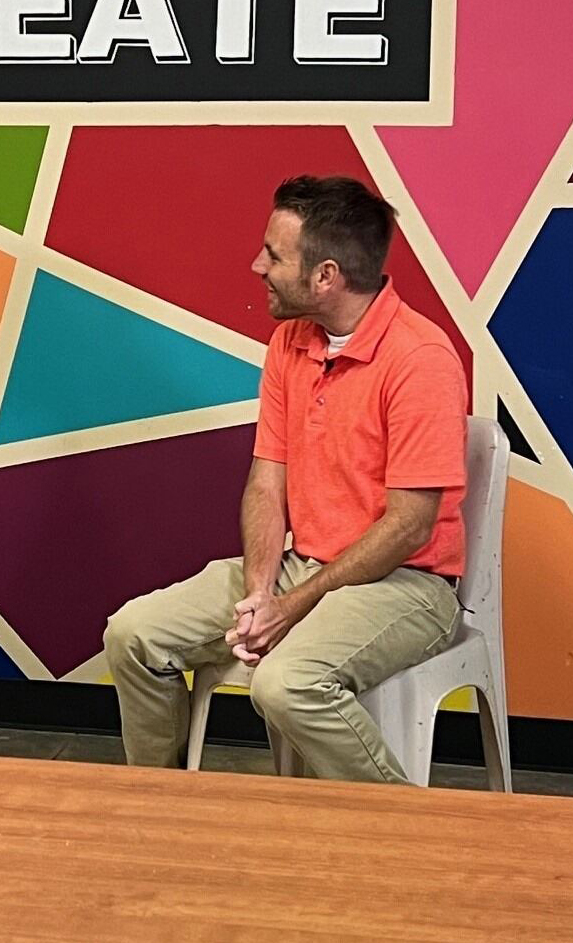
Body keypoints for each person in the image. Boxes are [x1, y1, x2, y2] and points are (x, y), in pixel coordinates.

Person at [103, 175, 468, 783]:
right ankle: (158, 810)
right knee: (133, 635)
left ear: (325, 276)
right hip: (303, 566)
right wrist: (259, 596)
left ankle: (407, 832)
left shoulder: (420, 359)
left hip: (407, 585)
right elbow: (268, 483)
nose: (257, 266)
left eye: (274, 255)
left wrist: (294, 605)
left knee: (285, 684)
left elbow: (409, 527)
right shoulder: (289, 343)